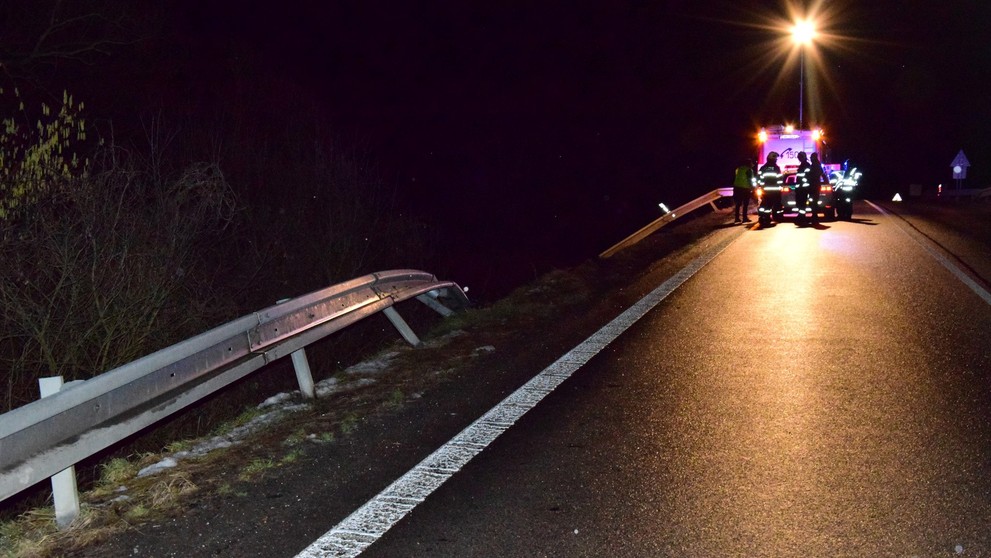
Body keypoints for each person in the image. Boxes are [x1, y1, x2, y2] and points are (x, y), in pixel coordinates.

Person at [757, 152, 783, 223]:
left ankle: (764, 217)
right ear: (773, 159)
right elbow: (780, 179)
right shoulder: (776, 168)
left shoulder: (763, 168)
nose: (776, 160)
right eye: (776, 159)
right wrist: (780, 187)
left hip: (765, 191)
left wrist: (761, 186)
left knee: (765, 204)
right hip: (775, 191)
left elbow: (759, 178)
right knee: (776, 204)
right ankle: (777, 217)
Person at [732, 158, 755, 223]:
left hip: (737, 188)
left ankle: (737, 218)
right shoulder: (749, 170)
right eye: (751, 163)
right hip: (745, 188)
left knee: (738, 204)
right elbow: (751, 180)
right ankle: (744, 218)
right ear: (748, 164)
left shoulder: (738, 169)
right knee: (745, 204)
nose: (752, 164)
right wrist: (754, 187)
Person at [809, 152, 829, 223]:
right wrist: (826, 182)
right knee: (814, 201)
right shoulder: (818, 165)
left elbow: (811, 175)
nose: (810, 159)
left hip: (813, 186)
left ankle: (814, 216)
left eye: (811, 158)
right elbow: (823, 175)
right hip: (816, 186)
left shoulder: (814, 166)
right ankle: (814, 216)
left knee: (813, 201)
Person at [795, 151, 813, 220]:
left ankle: (802, 217)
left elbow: (807, 176)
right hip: (801, 188)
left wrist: (802, 183)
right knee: (800, 203)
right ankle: (801, 216)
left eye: (799, 157)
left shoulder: (806, 165)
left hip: (803, 188)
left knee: (802, 203)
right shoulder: (803, 165)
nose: (799, 159)